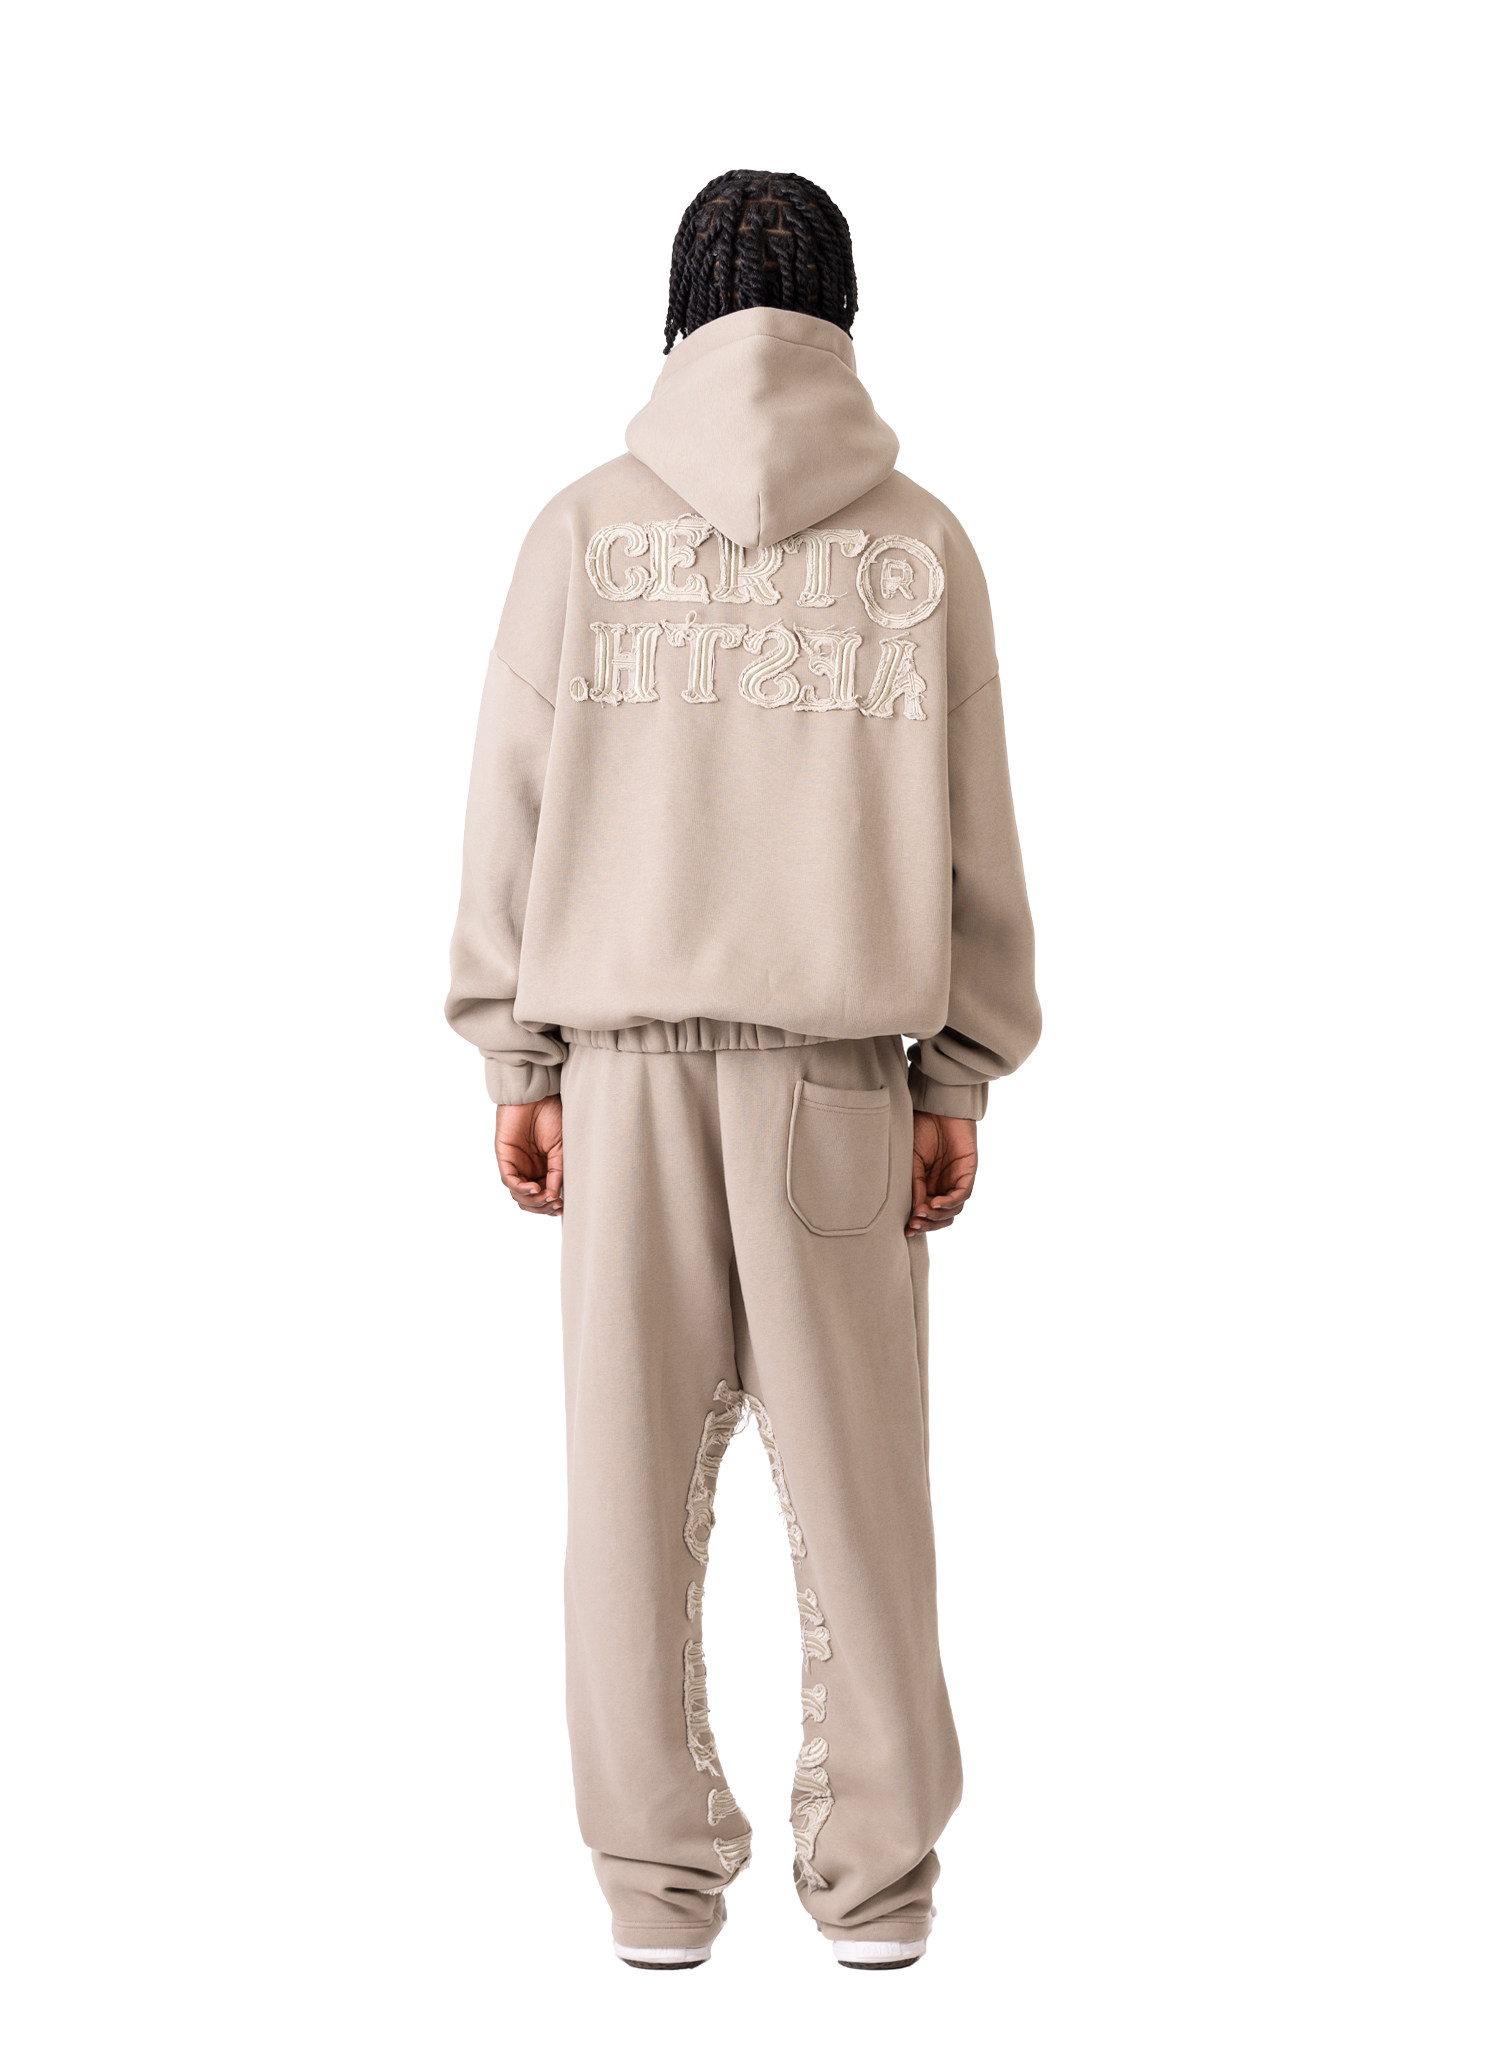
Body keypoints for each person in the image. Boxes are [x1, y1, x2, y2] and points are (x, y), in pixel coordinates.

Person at [446, 169, 1041, 1972]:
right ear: (842, 314)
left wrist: (516, 1053)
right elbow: (973, 830)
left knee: (626, 1498)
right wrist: (958, 1076)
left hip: (618, 1078)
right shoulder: (920, 546)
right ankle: (880, 1890)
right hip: (841, 1082)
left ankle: (653, 1893)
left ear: (677, 313)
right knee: (864, 1493)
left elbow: (511, 808)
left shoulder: (581, 531)